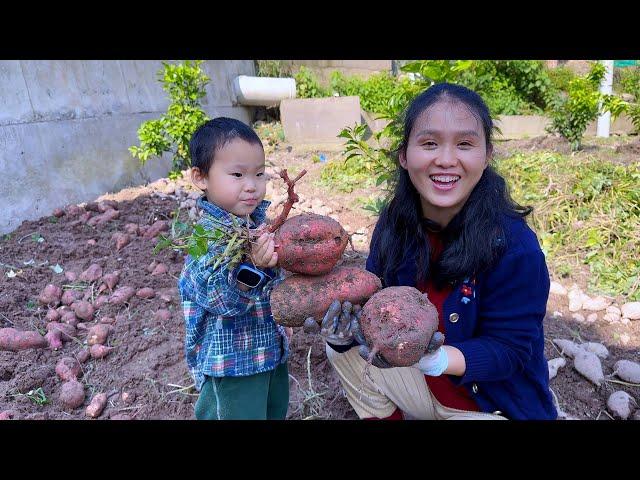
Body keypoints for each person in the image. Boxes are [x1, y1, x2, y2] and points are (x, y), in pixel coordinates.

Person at [314, 83, 557, 420]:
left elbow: (511, 350)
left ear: (487, 156)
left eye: (465, 144)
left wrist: (439, 359)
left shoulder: (515, 247)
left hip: (489, 406)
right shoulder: (394, 223)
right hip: (421, 386)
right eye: (429, 143)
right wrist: (347, 334)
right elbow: (373, 305)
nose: (445, 160)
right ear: (404, 155)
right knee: (343, 353)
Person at [178, 117, 291, 420]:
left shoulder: (259, 225)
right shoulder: (206, 237)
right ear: (200, 178)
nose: (252, 186)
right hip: (231, 366)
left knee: (274, 412)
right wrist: (251, 265)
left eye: (259, 174)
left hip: (270, 353)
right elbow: (219, 300)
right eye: (238, 174)